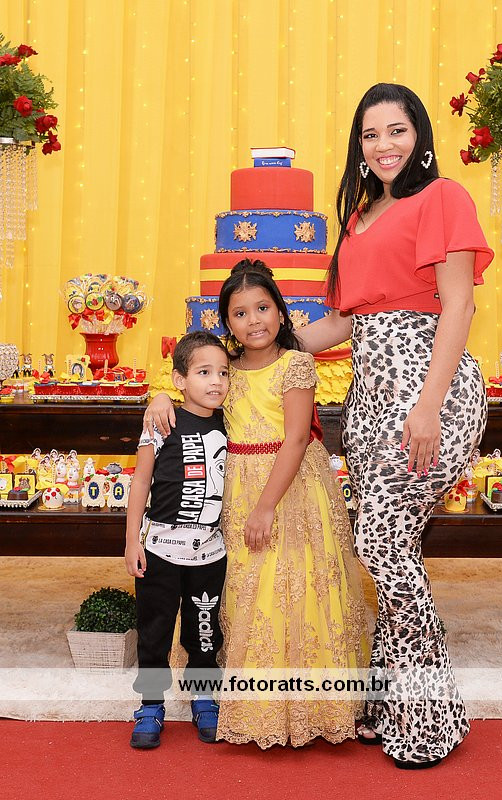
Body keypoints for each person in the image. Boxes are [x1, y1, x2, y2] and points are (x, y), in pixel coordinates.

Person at [292, 82, 494, 769]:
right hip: (370, 396)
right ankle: (392, 706)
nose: (384, 145)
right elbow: (343, 322)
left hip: (429, 389)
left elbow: (458, 305)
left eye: (397, 130)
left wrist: (429, 406)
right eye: (370, 134)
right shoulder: (359, 217)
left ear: (420, 135)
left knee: (380, 544)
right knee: (388, 543)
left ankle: (431, 716)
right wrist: (260, 342)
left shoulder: (443, 198)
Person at [144, 259, 370, 749]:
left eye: (263, 308)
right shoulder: (225, 369)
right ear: (227, 322)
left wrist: (266, 507)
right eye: (240, 313)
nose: (254, 320)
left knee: (292, 588)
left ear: (281, 312)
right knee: (241, 592)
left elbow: (296, 439)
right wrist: (159, 397)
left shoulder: (295, 363)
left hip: (290, 489)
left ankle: (304, 707)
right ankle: (239, 701)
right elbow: (191, 386)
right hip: (236, 487)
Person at [125, 331, 229, 749]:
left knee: (205, 632)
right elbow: (140, 481)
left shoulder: (233, 422)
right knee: (154, 631)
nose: (216, 381)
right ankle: (151, 704)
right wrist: (131, 541)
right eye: (204, 372)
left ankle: (204, 697)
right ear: (180, 379)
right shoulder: (160, 422)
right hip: (159, 551)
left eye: (223, 372)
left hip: (210, 554)